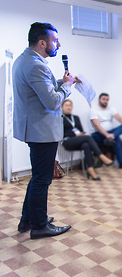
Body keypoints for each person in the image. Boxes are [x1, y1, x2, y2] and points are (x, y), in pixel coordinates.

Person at [13, 22, 73, 239]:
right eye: (55, 40)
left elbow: (41, 88)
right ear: (42, 42)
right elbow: (51, 102)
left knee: (37, 177)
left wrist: (62, 81)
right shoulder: (37, 65)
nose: (58, 44)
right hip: (42, 131)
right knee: (42, 179)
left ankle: (28, 220)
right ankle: (39, 226)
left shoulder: (25, 60)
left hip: (34, 129)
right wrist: (66, 87)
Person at [61, 100, 114, 180]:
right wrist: (75, 134)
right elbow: (60, 133)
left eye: (70, 105)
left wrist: (81, 134)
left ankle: (90, 169)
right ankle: (102, 156)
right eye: (66, 105)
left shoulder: (75, 118)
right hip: (67, 141)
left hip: (77, 140)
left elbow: (81, 130)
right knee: (88, 138)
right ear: (62, 107)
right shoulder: (60, 118)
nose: (68, 107)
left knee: (86, 145)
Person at [90, 93, 122, 169]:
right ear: (99, 100)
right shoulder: (93, 110)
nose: (105, 101)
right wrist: (107, 135)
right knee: (117, 138)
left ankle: (112, 137)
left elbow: (119, 118)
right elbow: (96, 125)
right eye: (104, 99)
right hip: (98, 134)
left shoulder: (110, 108)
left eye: (107, 100)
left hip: (110, 133)